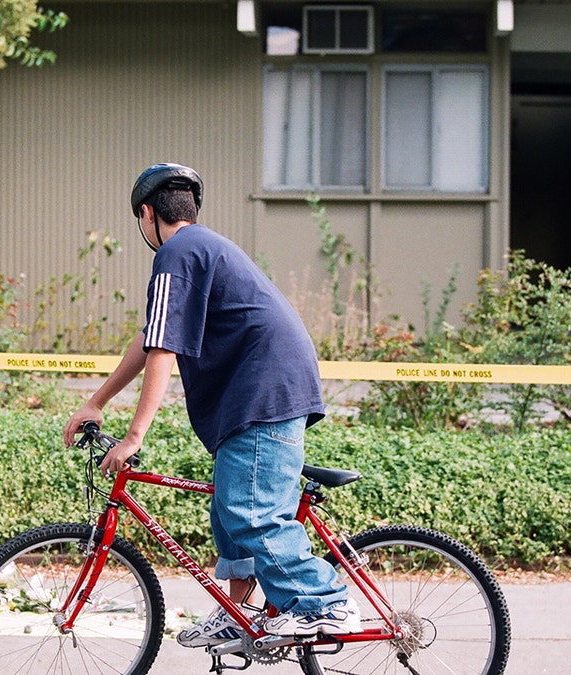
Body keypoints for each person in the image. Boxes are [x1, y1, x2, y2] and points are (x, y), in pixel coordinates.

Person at [63, 163, 360, 645]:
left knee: (254, 514)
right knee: (230, 506)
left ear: (146, 213)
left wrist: (135, 435)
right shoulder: (199, 249)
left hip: (263, 392)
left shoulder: (176, 254)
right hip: (258, 392)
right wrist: (97, 401)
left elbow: (163, 348)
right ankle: (241, 611)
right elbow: (149, 338)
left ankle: (322, 606)